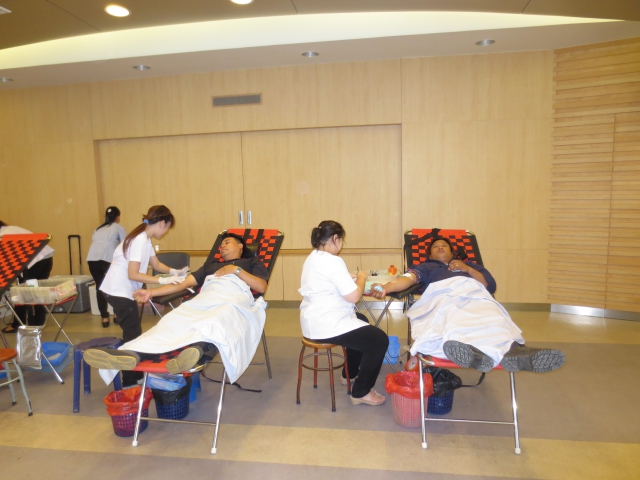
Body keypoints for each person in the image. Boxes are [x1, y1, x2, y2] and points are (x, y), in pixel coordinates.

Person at [84, 232, 270, 379]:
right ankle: (131, 353)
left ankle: (195, 352)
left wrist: (236, 270)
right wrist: (151, 293)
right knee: (172, 320)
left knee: (214, 321)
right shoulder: (210, 265)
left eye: (227, 242)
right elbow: (182, 284)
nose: (222, 247)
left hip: (231, 299)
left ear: (240, 246)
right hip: (206, 298)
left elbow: (261, 286)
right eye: (221, 245)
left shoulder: (251, 262)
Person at [370, 236, 565, 373]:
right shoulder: (426, 267)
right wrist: (386, 287)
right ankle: (474, 352)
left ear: (452, 252)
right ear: (430, 254)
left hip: (475, 294)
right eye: (436, 246)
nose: (440, 247)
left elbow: (489, 286)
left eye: (444, 246)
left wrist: (467, 269)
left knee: (493, 313)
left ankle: (516, 350)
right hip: (445, 296)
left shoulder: (471, 266)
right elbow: (407, 280)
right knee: (455, 315)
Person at [299, 220, 389, 406]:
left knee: (360, 319)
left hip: (313, 319)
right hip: (327, 324)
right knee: (379, 340)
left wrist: (347, 278)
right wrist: (362, 278)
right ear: (335, 238)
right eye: (341, 240)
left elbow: (325, 281)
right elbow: (354, 297)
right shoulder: (333, 260)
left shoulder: (313, 257)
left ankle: (349, 374)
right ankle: (361, 392)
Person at [99, 205, 187, 386]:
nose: (166, 231)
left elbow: (157, 264)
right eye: (167, 227)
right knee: (132, 335)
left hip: (121, 290)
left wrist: (174, 272)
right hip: (118, 291)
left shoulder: (144, 239)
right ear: (162, 223)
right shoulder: (139, 240)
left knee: (133, 332)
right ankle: (130, 381)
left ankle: (136, 375)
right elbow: (133, 274)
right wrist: (163, 280)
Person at [0, 220, 55, 333]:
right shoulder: (12, 228)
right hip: (46, 258)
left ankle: (18, 324)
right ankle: (38, 321)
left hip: (32, 262)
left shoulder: (3, 236)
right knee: (37, 291)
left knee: (22, 292)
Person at [86, 206, 126, 328]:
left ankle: (104, 318)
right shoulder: (118, 227)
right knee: (115, 286)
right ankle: (116, 315)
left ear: (106, 216)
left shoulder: (97, 229)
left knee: (100, 287)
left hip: (92, 260)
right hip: (108, 259)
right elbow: (125, 244)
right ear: (118, 217)